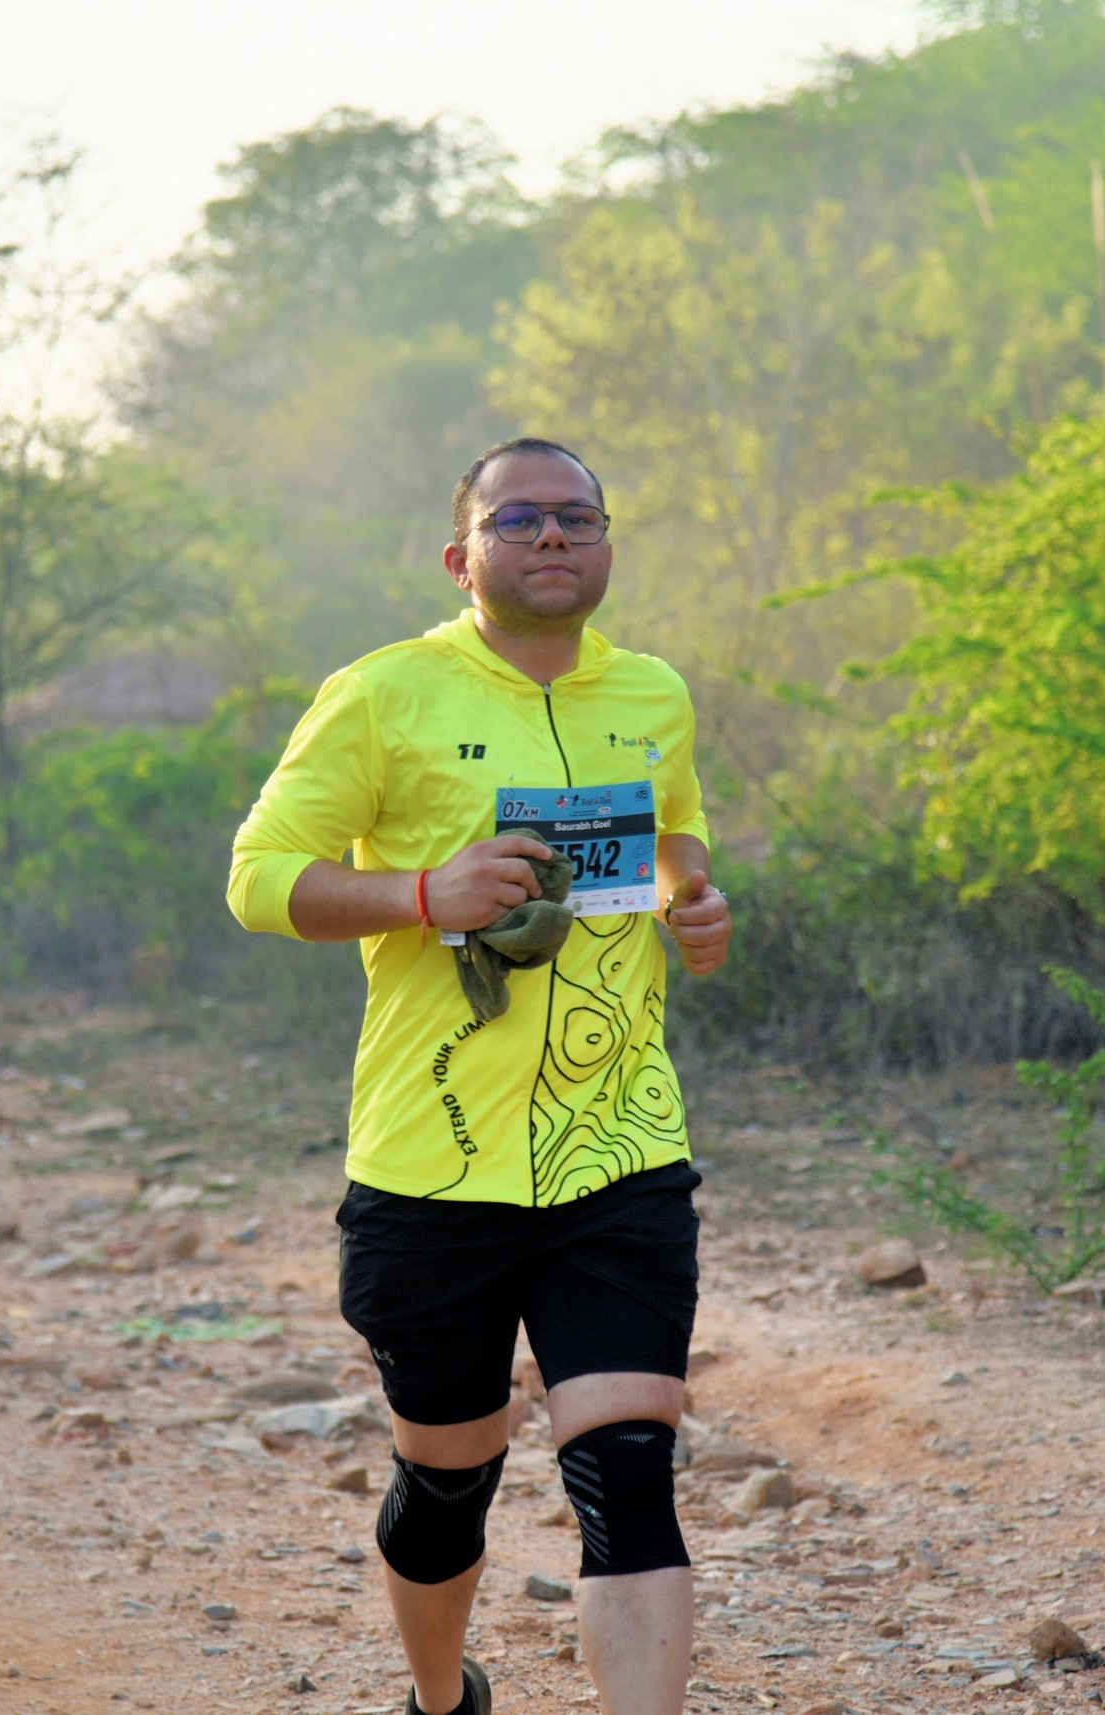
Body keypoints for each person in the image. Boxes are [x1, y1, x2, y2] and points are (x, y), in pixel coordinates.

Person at [227, 439, 734, 1715]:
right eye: (519, 519)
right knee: (448, 1477)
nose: (552, 535)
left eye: (577, 517)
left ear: (606, 544)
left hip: (617, 1146)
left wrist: (692, 898)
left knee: (629, 1474)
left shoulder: (654, 692)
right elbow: (257, 878)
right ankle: (440, 1697)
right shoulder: (381, 694)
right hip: (430, 1163)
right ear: (462, 558)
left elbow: (674, 833)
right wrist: (421, 892)